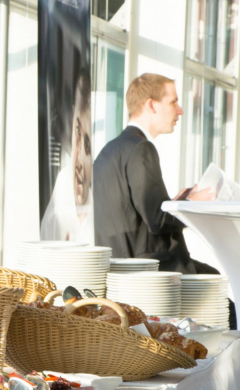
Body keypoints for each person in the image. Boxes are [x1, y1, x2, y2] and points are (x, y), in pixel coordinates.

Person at [93, 73, 216, 273]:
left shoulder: (108, 152)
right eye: (173, 102)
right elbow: (157, 222)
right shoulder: (141, 148)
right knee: (218, 286)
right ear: (151, 105)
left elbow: (135, 215)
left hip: (119, 269)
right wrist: (192, 203)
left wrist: (175, 202)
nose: (180, 110)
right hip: (149, 272)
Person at [40, 71, 94, 242]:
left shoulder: (97, 198)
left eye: (86, 144)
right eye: (77, 132)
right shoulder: (64, 181)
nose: (78, 158)